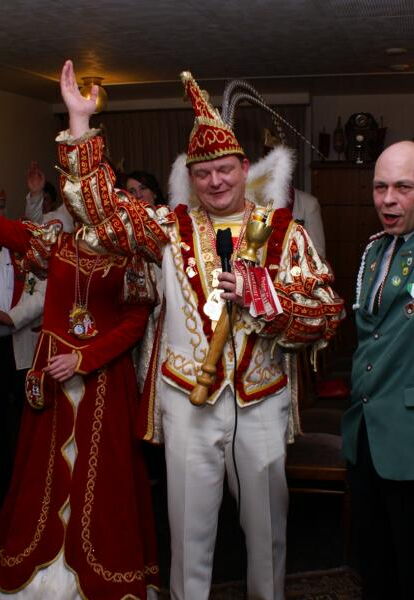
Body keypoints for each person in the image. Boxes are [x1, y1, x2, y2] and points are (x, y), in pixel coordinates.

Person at [60, 64, 345, 600]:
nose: (216, 182)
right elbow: (101, 216)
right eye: (204, 172)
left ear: (245, 167)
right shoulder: (169, 228)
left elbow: (327, 312)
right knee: (189, 534)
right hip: (186, 401)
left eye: (226, 169)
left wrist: (268, 300)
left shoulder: (284, 233)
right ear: (190, 177)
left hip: (261, 402)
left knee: (267, 532)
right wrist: (79, 125)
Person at [0, 61, 170, 600]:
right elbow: (11, 232)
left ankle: (96, 574)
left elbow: (135, 322)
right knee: (42, 476)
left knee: (105, 479)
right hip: (51, 381)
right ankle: (43, 574)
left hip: (102, 382)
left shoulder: (131, 254)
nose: (80, 203)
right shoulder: (57, 244)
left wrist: (85, 357)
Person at [342, 140, 414, 600]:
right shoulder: (375, 251)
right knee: (375, 563)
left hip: (409, 436)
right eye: (380, 187)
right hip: (366, 430)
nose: (388, 199)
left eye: (404, 187)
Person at [25, 161, 74, 232]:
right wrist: (36, 192)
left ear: (53, 202)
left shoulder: (63, 213)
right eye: (40, 199)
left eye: (45, 199)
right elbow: (33, 221)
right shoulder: (36, 219)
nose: (42, 203)